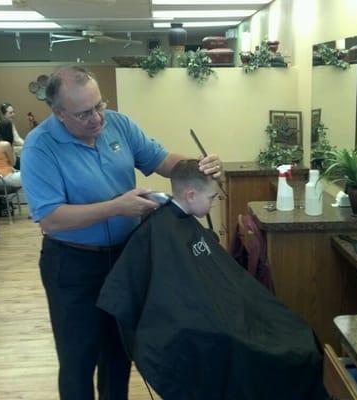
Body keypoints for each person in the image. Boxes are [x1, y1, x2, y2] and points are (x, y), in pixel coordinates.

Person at [20, 65, 222, 400]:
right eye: (84, 113)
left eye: (99, 105)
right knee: (78, 359)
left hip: (125, 259)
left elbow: (162, 161)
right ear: (58, 113)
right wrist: (115, 207)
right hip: (72, 266)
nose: (97, 118)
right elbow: (51, 219)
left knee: (118, 354)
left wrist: (200, 166)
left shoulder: (119, 124)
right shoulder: (40, 148)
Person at [96, 158, 326, 400]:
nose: (214, 204)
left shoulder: (181, 222)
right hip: (207, 325)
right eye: (212, 198)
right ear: (191, 195)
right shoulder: (161, 230)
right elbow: (170, 295)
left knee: (296, 331)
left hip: (227, 311)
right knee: (285, 351)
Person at [0, 119, 22, 187]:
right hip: (5, 178)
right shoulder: (6, 144)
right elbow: (14, 162)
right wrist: (12, 147)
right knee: (33, 175)